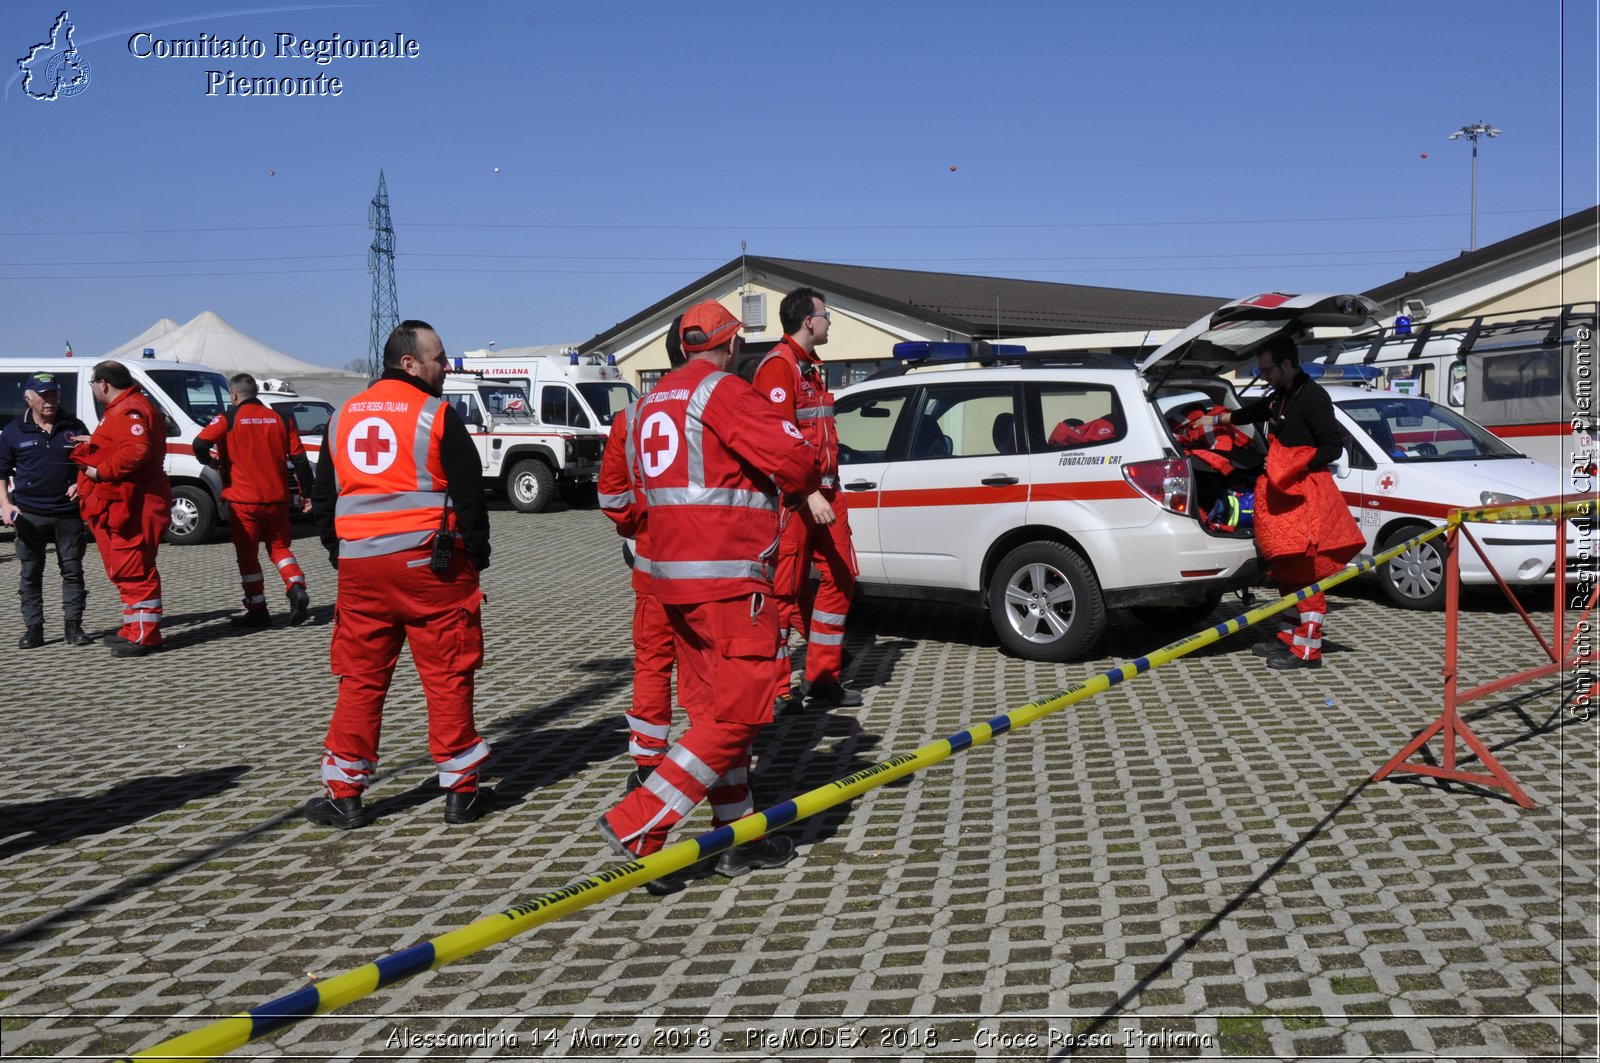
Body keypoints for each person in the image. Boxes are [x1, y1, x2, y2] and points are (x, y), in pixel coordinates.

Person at [598, 300, 829, 886]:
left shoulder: (650, 401)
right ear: (730, 345)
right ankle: (641, 819)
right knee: (744, 704)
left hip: (670, 579)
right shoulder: (723, 390)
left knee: (714, 709)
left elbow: (628, 495)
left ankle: (739, 834)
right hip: (727, 578)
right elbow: (797, 463)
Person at [305, 320, 493, 828]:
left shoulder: (342, 416)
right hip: (431, 565)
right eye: (438, 358)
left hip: (361, 568)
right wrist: (477, 554)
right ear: (408, 362)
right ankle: (461, 792)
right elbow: (470, 492)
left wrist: (339, 552)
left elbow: (324, 497)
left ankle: (344, 793)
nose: (446, 367)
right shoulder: (436, 413)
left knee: (360, 680)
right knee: (448, 674)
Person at [1203, 335, 1364, 669]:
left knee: (1307, 576)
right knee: (1287, 574)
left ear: (1287, 364)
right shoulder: (1280, 396)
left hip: (1307, 496)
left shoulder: (1314, 397)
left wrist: (1294, 463)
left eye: (1267, 369)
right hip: (1283, 499)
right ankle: (1289, 638)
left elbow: (1333, 446)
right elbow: (1252, 411)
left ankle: (1308, 652)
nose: (1263, 375)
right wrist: (1215, 420)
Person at [751, 287, 861, 710]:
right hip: (796, 498)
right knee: (784, 591)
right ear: (808, 321)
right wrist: (808, 492)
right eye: (826, 314)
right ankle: (775, 688)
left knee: (842, 577)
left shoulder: (810, 367)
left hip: (827, 492)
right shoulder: (778, 367)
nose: (830, 321)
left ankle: (822, 678)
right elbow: (778, 442)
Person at [597, 315, 685, 800]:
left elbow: (610, 496)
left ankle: (649, 761)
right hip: (710, 568)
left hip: (652, 567)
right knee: (702, 665)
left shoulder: (630, 418)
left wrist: (640, 526)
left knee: (653, 662)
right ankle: (709, 756)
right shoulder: (711, 406)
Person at [194, 373, 315, 628]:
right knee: (280, 549)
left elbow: (199, 443)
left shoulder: (228, 418)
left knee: (248, 556)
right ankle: (295, 586)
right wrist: (307, 494)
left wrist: (211, 461)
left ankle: (257, 608)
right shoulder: (282, 419)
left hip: (243, 502)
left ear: (234, 395)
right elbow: (300, 460)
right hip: (277, 500)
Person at [71, 361, 173, 658]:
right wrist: (96, 442)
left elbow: (136, 450)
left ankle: (145, 636)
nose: (92, 389)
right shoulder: (123, 408)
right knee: (125, 568)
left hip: (135, 504)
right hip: (124, 503)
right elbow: (126, 443)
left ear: (103, 383)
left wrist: (99, 473)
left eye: (92, 383)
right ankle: (133, 629)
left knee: (134, 567)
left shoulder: (129, 409)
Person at [0, 372, 95, 648]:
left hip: (68, 513)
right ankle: (34, 629)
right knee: (30, 572)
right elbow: (2, 472)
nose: (50, 401)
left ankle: (73, 627)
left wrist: (82, 483)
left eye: (54, 394)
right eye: (43, 396)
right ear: (28, 398)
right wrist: (5, 504)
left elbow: (88, 463)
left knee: (73, 570)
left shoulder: (74, 426)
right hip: (30, 514)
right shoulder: (13, 431)